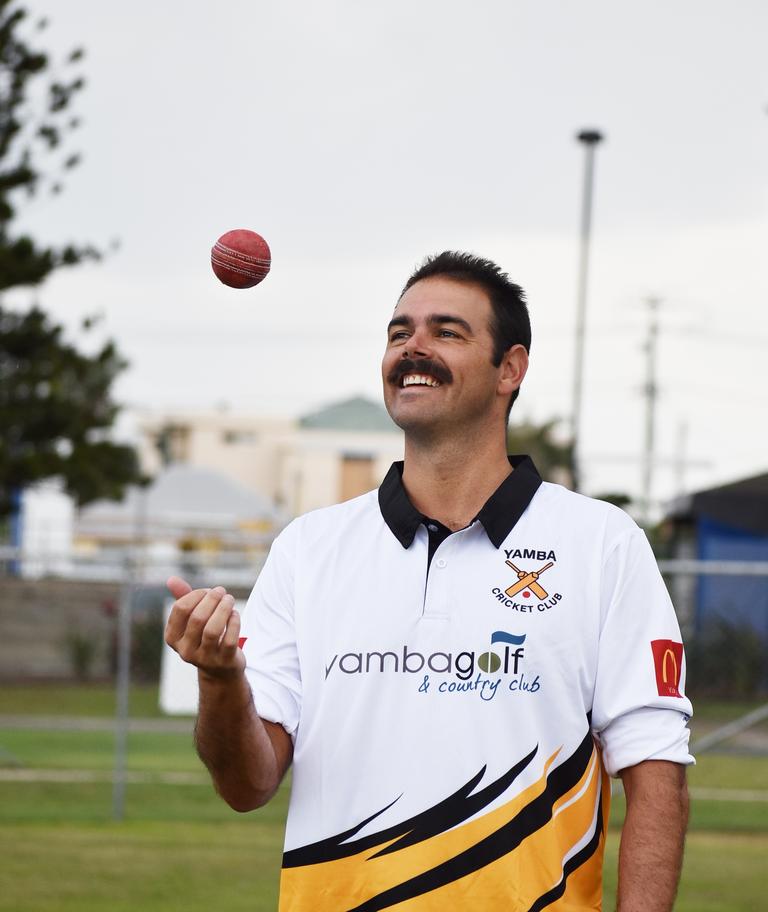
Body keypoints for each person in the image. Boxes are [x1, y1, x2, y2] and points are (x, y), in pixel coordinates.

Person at [165, 251, 693, 912]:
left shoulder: (602, 544)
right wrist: (219, 681)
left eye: (447, 331)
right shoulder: (309, 548)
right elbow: (247, 785)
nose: (413, 348)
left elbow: (656, 775)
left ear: (511, 369)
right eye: (398, 333)